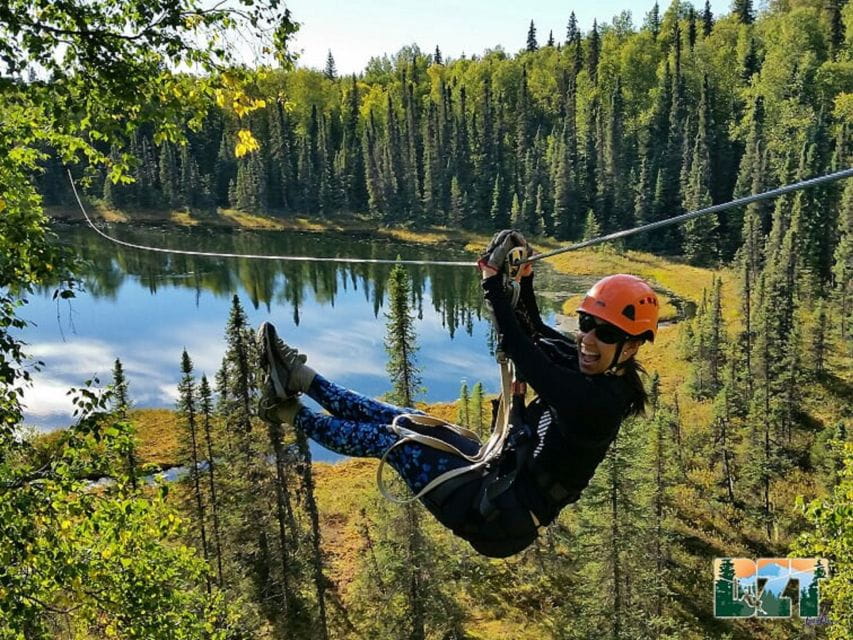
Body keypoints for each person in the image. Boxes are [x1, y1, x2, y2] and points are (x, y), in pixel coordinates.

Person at [257, 230, 659, 558]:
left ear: (633, 346)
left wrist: (491, 283)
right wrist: (525, 279)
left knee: (390, 442)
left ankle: (288, 412)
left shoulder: (600, 403)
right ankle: (301, 377)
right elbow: (534, 329)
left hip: (497, 514)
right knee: (400, 418)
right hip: (498, 476)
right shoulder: (594, 365)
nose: (587, 339)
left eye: (604, 333)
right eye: (586, 323)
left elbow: (524, 353)